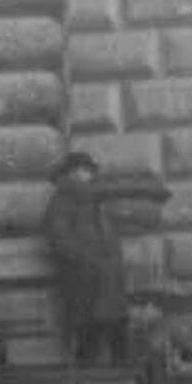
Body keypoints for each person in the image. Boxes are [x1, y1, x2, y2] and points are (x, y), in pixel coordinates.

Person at [44, 151, 128, 366]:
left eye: (88, 170)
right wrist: (86, 259)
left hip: (107, 275)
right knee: (89, 330)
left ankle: (123, 379)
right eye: (80, 170)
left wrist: (113, 261)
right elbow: (58, 237)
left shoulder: (95, 199)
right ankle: (88, 381)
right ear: (70, 173)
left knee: (117, 331)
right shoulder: (62, 200)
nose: (85, 174)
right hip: (84, 275)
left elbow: (109, 232)